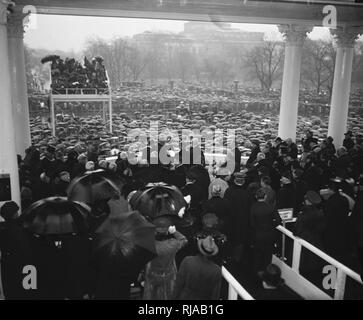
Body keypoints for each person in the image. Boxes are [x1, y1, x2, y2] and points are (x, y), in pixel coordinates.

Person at [143, 216, 188, 300]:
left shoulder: (149, 244)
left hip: (152, 275)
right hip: (168, 276)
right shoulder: (173, 244)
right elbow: (184, 240)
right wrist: (174, 232)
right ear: (167, 230)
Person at [0, 201, 33, 299]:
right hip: (24, 265)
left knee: (11, 293)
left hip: (7, 265)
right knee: (27, 292)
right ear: (14, 214)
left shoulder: (2, 229)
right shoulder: (22, 229)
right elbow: (26, 249)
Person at [173, 235, 222, 300]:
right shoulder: (216, 270)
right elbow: (215, 295)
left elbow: (178, 285)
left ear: (200, 248)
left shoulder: (187, 261)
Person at [250, 189, 281, 273]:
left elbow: (252, 224)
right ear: (265, 196)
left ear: (256, 197)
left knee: (257, 256)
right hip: (269, 235)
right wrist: (271, 225)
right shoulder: (271, 207)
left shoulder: (253, 207)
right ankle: (267, 273)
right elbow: (278, 221)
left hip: (257, 235)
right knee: (267, 257)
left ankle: (257, 274)